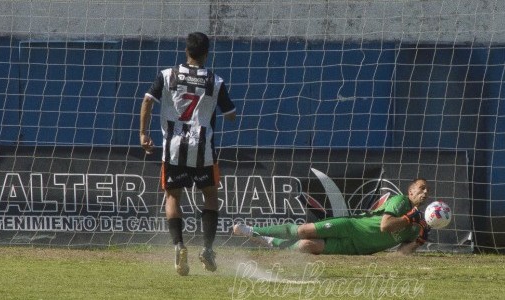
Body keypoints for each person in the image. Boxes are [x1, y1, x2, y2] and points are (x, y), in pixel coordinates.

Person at [140, 32, 236, 275]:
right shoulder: (215, 80)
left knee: (173, 197)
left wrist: (143, 133)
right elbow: (230, 114)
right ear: (206, 53)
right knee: (211, 196)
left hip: (173, 147)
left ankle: (179, 246)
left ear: (186, 51)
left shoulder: (167, 75)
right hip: (203, 149)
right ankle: (207, 248)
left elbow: (148, 100)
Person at [233, 178, 431, 255]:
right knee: (303, 230)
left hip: (357, 248)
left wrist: (418, 242)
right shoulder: (401, 202)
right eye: (421, 188)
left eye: (427, 191)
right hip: (351, 226)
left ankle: (268, 240)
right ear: (410, 191)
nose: (424, 193)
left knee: (306, 246)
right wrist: (407, 219)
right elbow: (385, 226)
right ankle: (253, 230)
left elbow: (398, 255)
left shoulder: (416, 225)